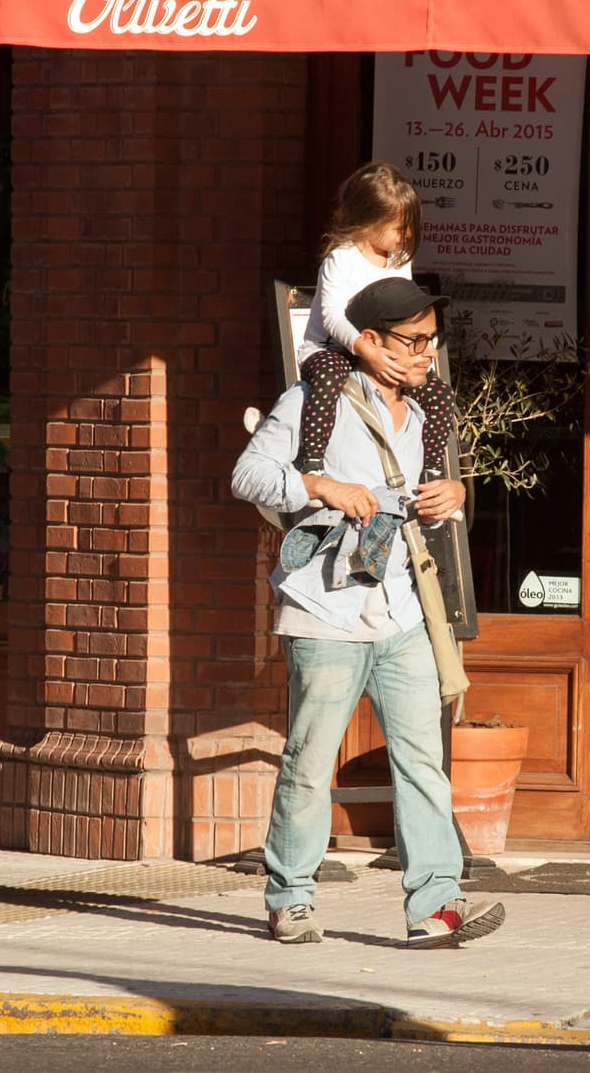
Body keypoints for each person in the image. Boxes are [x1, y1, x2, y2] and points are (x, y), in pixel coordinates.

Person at [233, 276, 505, 950]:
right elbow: (247, 473)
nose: (425, 356)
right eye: (413, 343)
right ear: (372, 341)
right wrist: (316, 483)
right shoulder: (314, 399)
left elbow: (432, 487)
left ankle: (434, 905)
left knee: (422, 761)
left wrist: (454, 492)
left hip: (401, 606)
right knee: (308, 757)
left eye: (432, 343)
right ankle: (289, 898)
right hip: (325, 608)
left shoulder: (427, 411)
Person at [296, 161, 455, 484]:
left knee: (438, 393)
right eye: (399, 227)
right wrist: (364, 350)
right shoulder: (342, 259)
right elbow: (332, 317)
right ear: (368, 221)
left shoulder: (400, 260)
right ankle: (312, 458)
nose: (407, 235)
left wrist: (411, 356)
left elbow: (404, 310)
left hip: (383, 349)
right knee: (329, 377)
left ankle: (432, 470)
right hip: (335, 349)